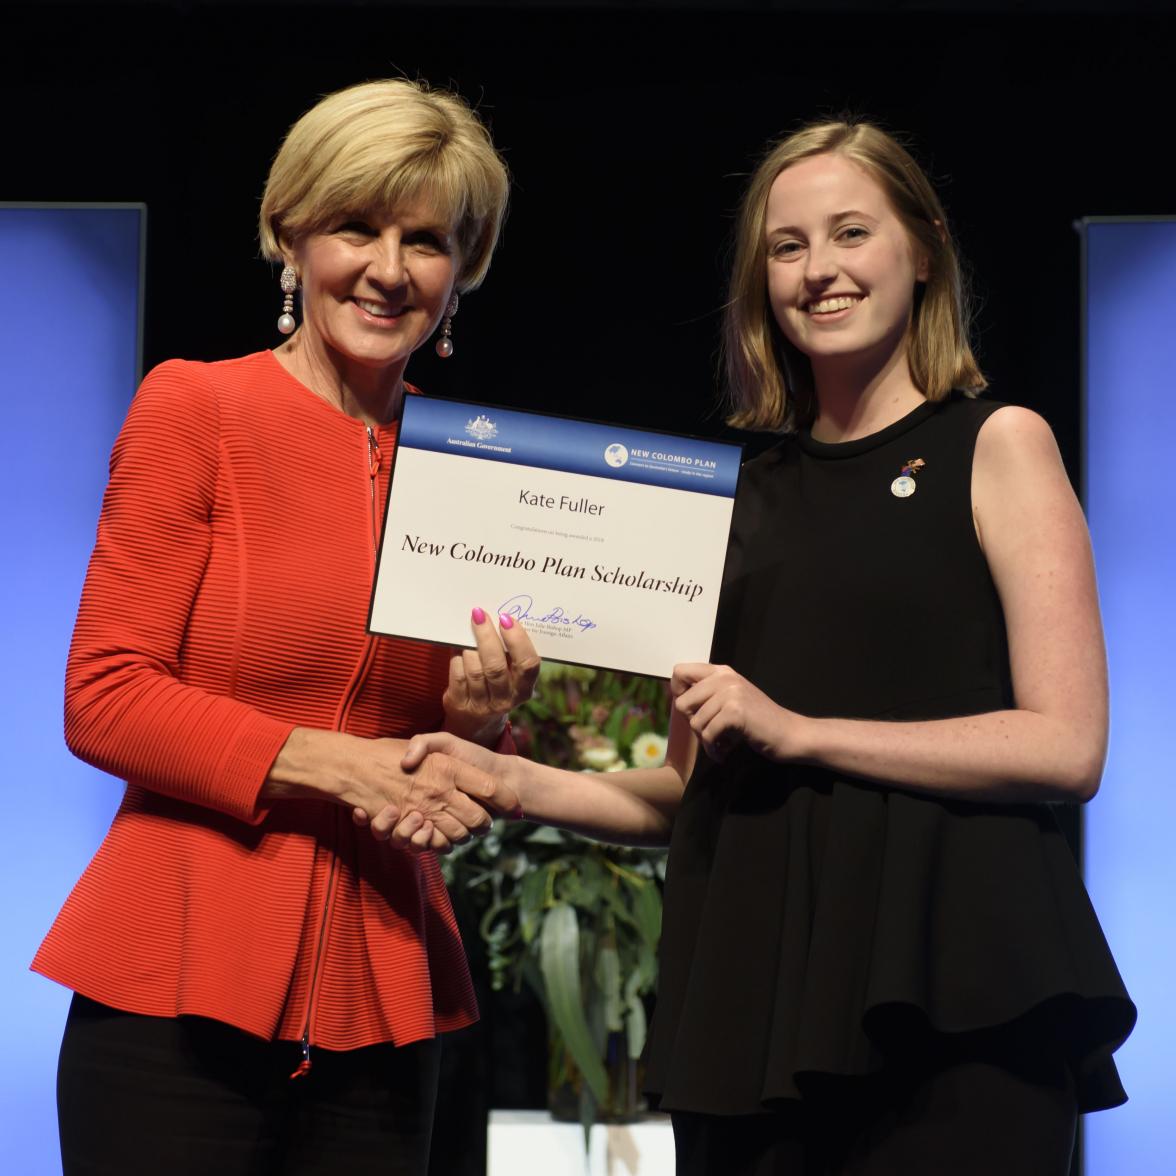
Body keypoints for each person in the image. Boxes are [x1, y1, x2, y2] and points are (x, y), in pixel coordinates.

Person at [390, 120, 1136, 1174]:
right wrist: (505, 776)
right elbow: (684, 792)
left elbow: (1066, 747)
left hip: (959, 988)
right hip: (759, 998)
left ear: (922, 250)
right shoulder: (729, 499)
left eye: (849, 233)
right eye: (787, 247)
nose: (819, 270)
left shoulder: (998, 443)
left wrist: (799, 730)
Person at [33, 78, 540, 1176]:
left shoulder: (479, 475)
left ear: (468, 266)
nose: (389, 269)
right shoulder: (196, 409)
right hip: (173, 984)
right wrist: (341, 769)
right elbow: (106, 693)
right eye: (356, 226)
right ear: (288, 234)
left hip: (384, 993)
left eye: (427, 240)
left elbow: (437, 761)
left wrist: (482, 724)